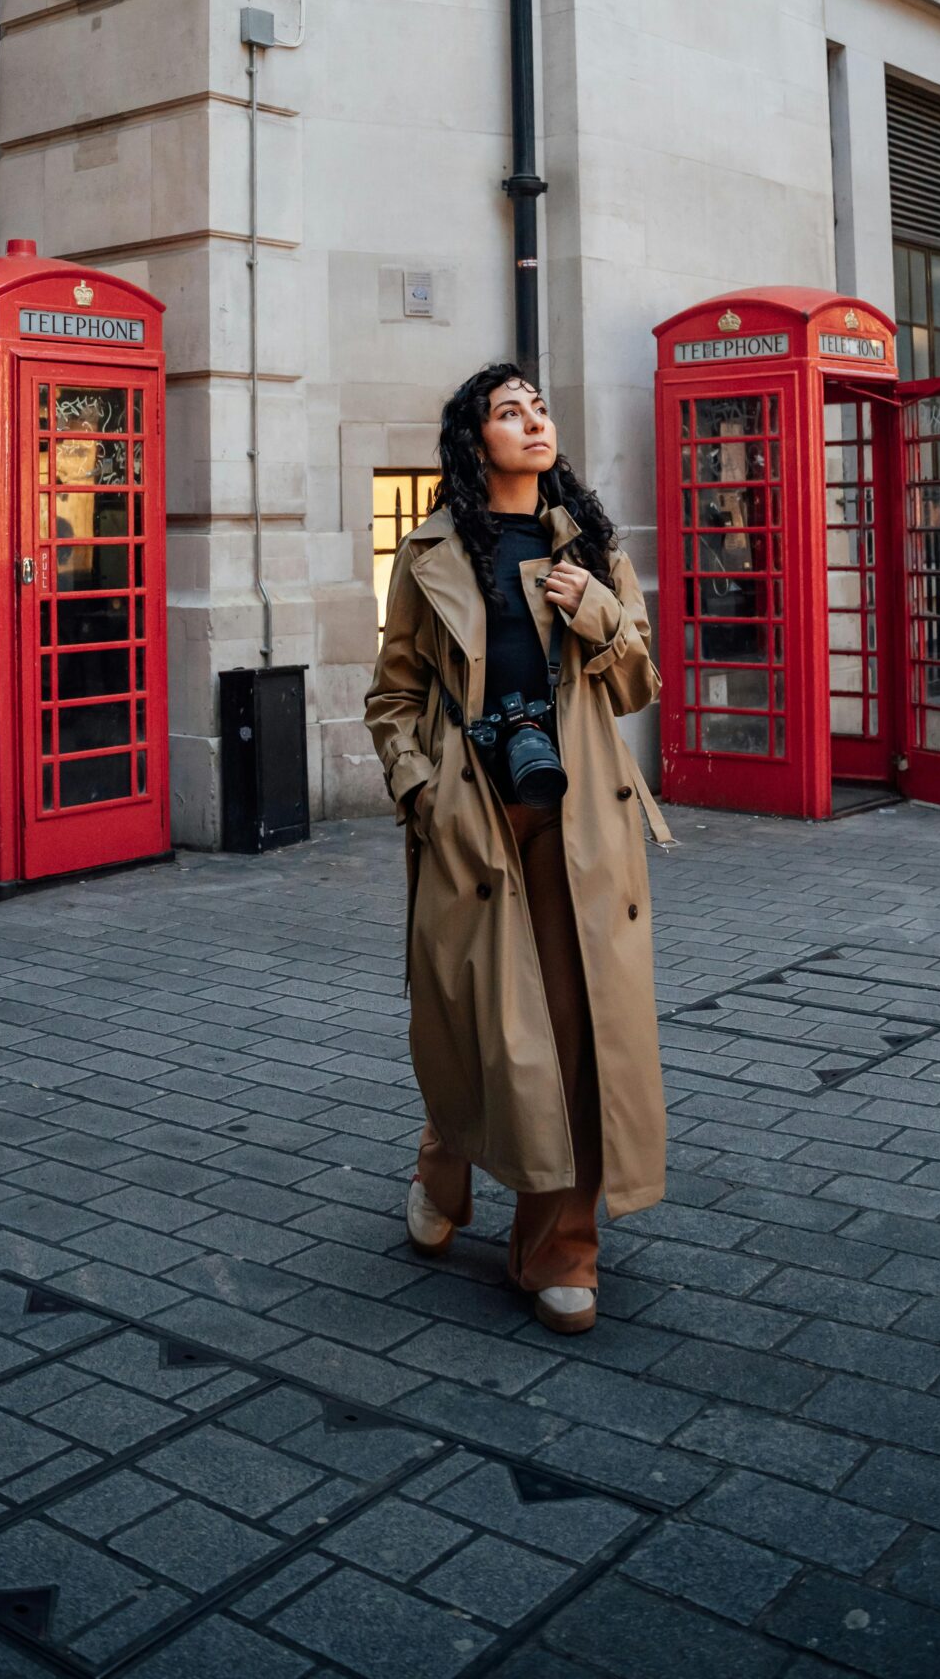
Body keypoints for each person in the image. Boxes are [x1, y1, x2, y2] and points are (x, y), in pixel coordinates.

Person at [365, 364, 672, 1334]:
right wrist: (419, 790)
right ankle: (442, 1162)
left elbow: (639, 684)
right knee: (473, 1023)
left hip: (574, 821)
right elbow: (394, 695)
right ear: (475, 438)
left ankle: (559, 1247)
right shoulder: (432, 553)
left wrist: (597, 612)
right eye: (510, 410)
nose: (534, 419)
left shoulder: (589, 544)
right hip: (471, 818)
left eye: (539, 406)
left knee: (575, 1036)